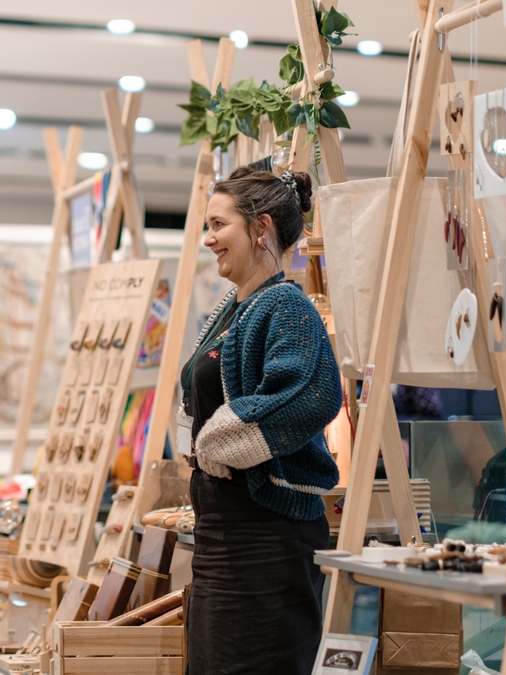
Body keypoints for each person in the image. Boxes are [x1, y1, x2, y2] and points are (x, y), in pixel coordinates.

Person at [181, 167, 342, 675]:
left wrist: (217, 443)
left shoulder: (286, 306)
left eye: (218, 225)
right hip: (224, 530)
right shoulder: (236, 307)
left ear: (261, 228)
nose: (208, 239)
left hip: (265, 536)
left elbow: (310, 396)